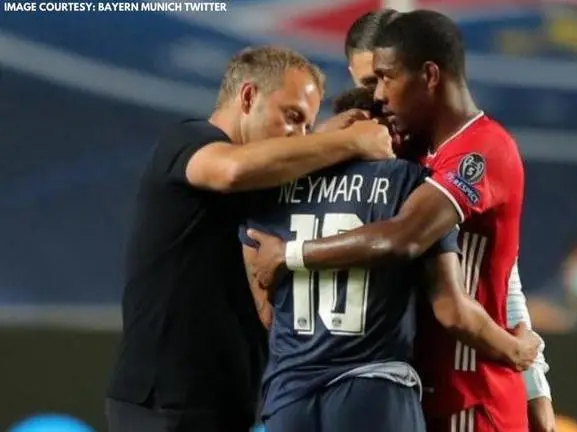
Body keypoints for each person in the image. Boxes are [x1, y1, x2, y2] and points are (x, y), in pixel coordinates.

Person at [245, 11, 554, 432]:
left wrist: (535, 384)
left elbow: (491, 274)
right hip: (407, 393)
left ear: (426, 74)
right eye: (367, 85)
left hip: (466, 393)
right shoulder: (403, 156)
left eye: (384, 80)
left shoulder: (479, 151)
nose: (379, 98)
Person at [105, 46, 393, 432]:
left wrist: (327, 136)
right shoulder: (189, 140)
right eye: (292, 117)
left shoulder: (268, 182)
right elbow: (230, 170)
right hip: (164, 405)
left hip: (225, 402)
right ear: (247, 96)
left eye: (307, 125)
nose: (299, 135)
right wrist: (351, 142)